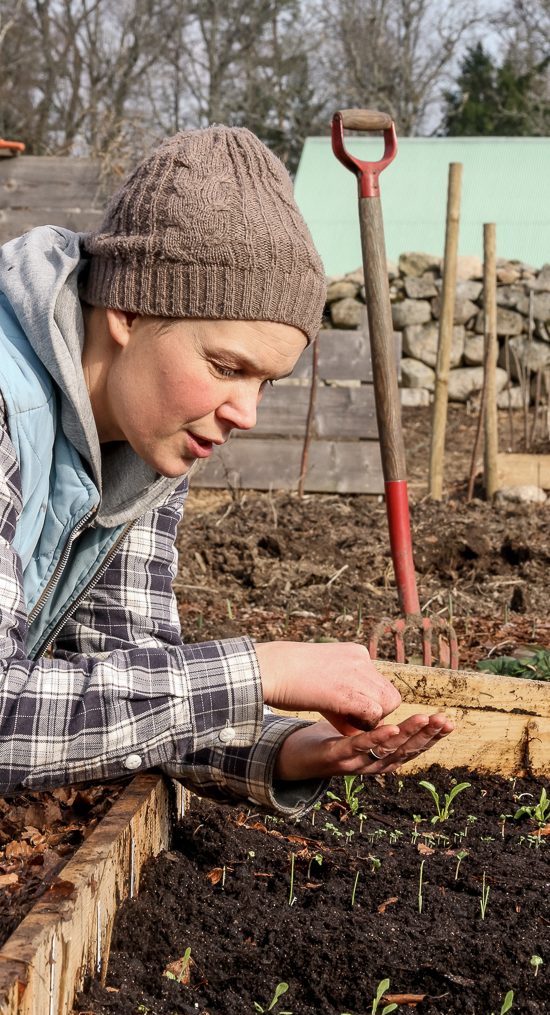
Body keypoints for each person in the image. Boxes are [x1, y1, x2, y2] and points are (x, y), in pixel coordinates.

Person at [0, 125, 453, 813]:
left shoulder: (148, 435)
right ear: (127, 310)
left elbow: (127, 676)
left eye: (265, 382)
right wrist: (261, 668)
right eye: (225, 366)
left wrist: (287, 747)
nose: (246, 412)